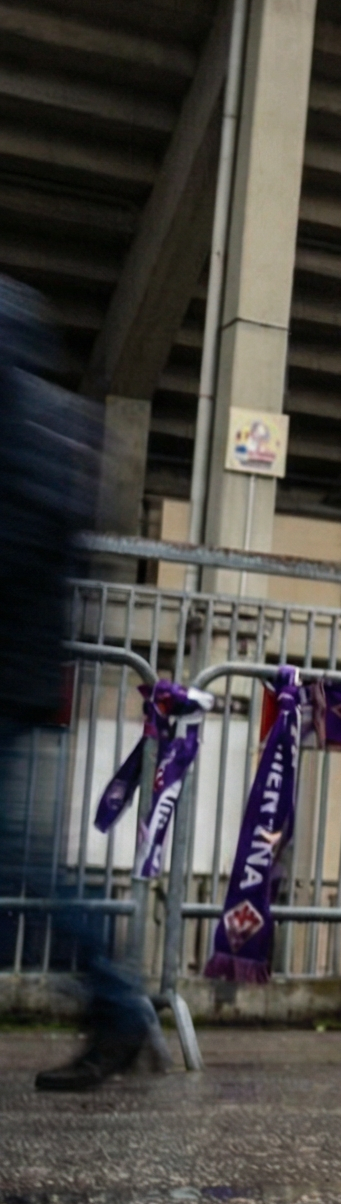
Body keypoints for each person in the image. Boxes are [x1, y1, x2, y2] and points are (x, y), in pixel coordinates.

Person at [0, 278, 132, 1090]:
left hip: (10, 677)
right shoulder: (57, 425)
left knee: (23, 860)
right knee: (23, 859)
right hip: (26, 674)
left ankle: (119, 1002)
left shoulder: (19, 430)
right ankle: (120, 1003)